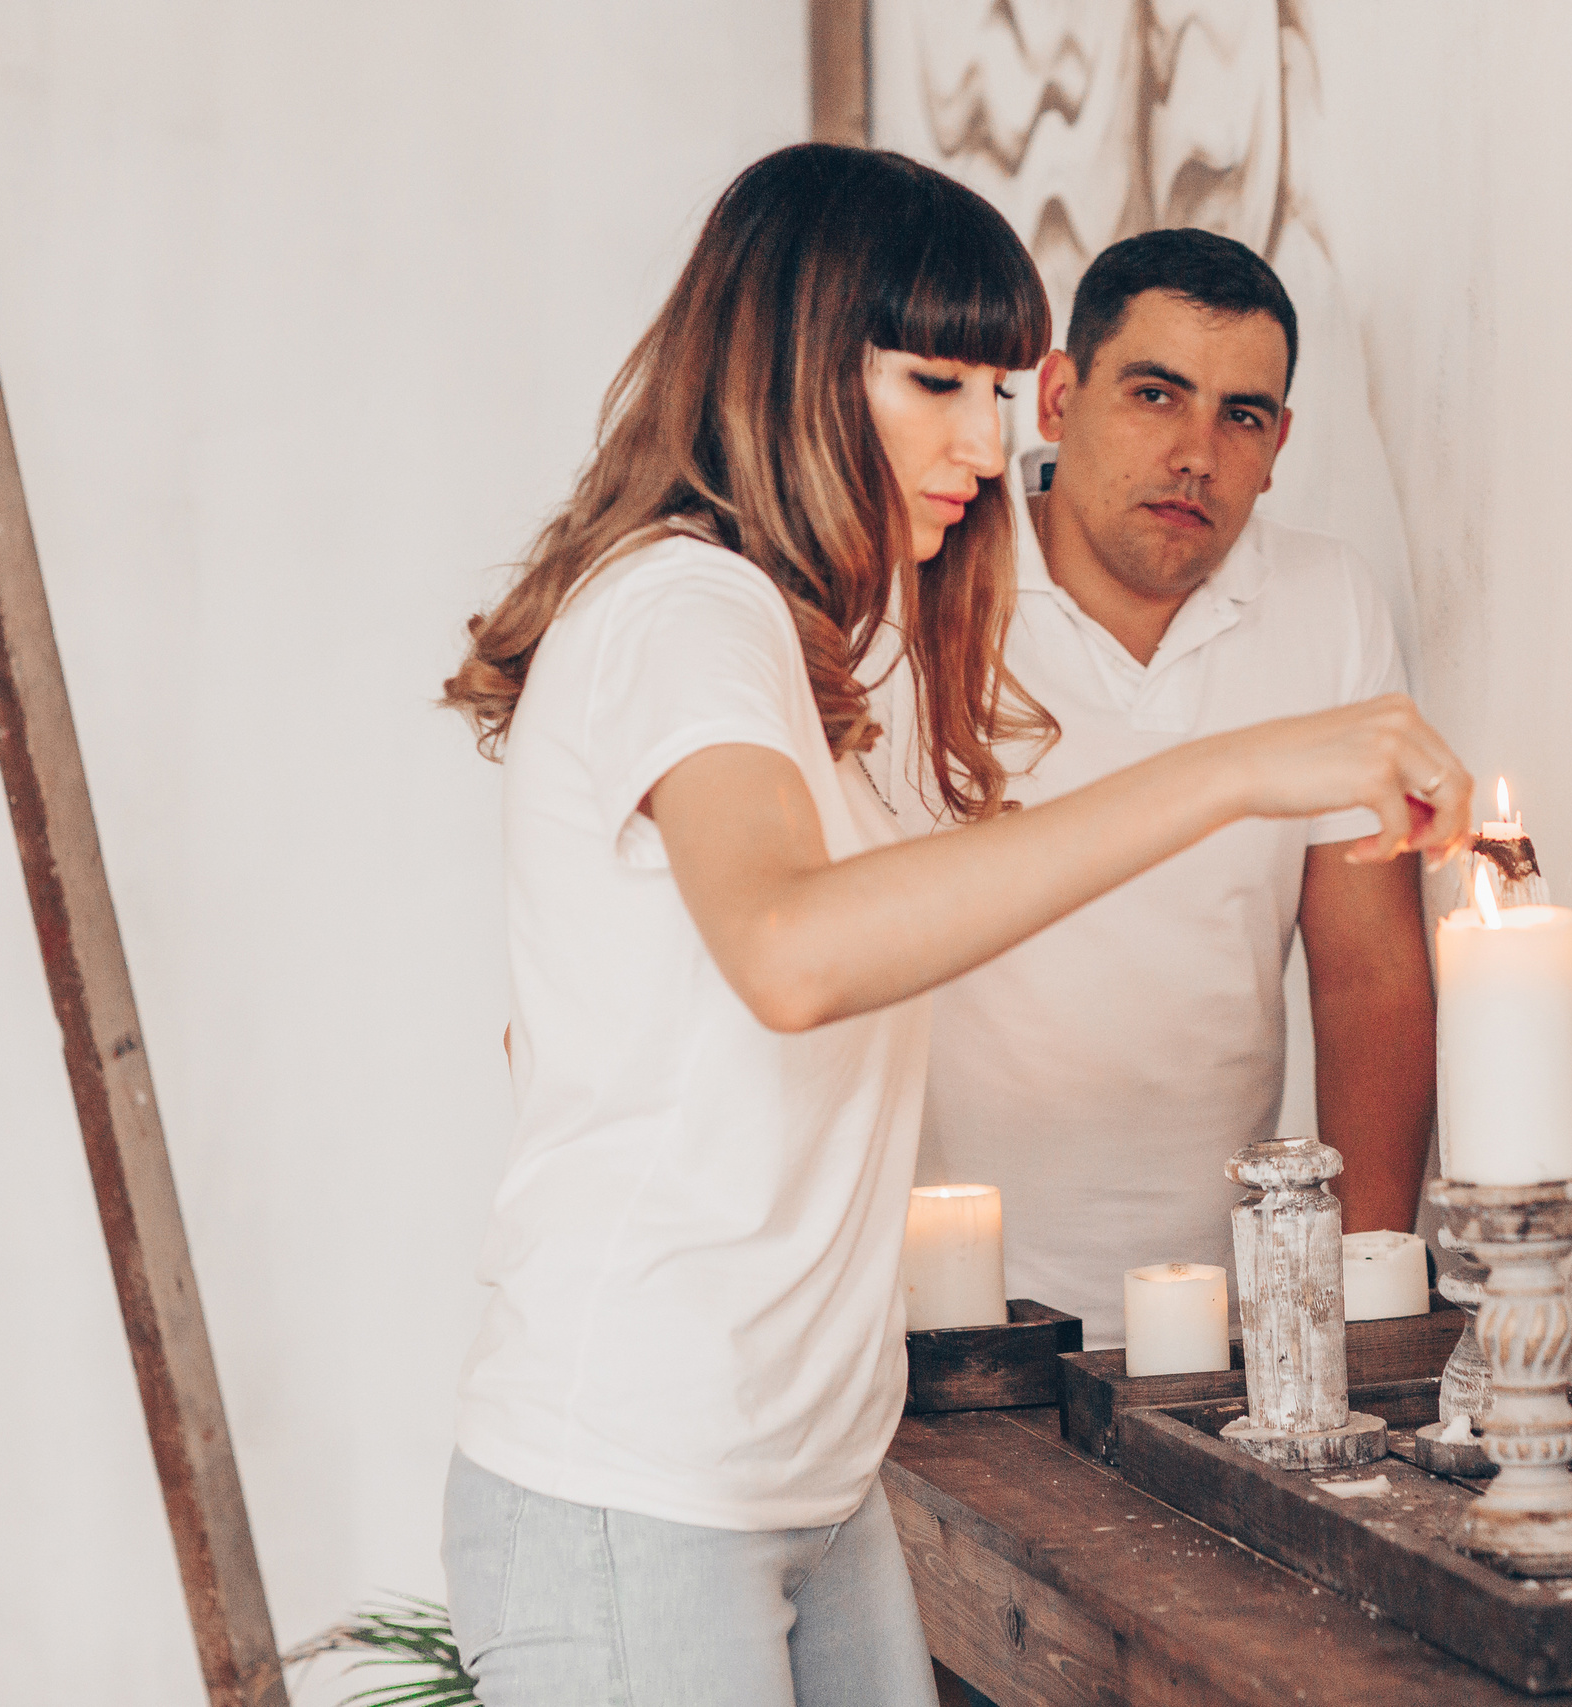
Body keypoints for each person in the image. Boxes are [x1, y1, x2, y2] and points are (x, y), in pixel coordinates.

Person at [435, 145, 1472, 1707]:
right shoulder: (681, 609)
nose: (988, 445)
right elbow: (793, 949)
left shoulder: (797, 638)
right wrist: (1238, 768)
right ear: (792, 361)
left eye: (997, 391)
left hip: (807, 1463)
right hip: (642, 1475)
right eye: (938, 384)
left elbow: (590, 1028)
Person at [871, 229, 1436, 1345]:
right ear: (1058, 397)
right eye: (1154, 394)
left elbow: (1369, 976)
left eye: (1239, 415)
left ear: (1277, 447)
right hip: (937, 1309)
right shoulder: (914, 589)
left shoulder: (1326, 603)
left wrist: (1361, 1305)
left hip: (1223, 1304)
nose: (1194, 454)